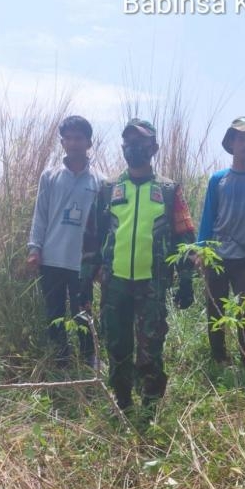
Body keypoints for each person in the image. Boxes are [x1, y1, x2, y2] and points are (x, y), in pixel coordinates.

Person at [82, 118, 195, 414]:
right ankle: (123, 404)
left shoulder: (169, 190)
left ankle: (149, 409)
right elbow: (93, 236)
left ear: (153, 148)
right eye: (129, 142)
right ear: (123, 147)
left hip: (153, 284)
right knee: (117, 346)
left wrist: (186, 280)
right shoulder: (108, 189)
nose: (134, 148)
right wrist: (86, 277)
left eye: (141, 142)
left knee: (151, 348)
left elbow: (185, 236)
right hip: (115, 284)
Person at [197, 116, 245, 370]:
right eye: (240, 138)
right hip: (217, 257)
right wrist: (200, 251)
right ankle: (219, 358)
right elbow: (208, 218)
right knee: (216, 309)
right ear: (231, 143)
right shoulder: (217, 180)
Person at [27, 115, 102, 367]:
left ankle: (89, 358)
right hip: (52, 258)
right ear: (62, 143)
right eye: (67, 138)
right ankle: (61, 361)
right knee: (54, 313)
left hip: (82, 262)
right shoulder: (50, 176)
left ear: (88, 142)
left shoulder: (99, 182)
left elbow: (102, 227)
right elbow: (40, 214)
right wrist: (34, 248)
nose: (73, 143)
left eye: (78, 138)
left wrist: (100, 261)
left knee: (83, 312)